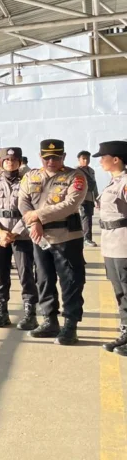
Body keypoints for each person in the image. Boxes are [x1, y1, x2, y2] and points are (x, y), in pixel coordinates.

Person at [17, 139, 88, 346]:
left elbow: (71, 203)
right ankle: (50, 320)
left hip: (67, 237)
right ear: (40, 157)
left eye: (56, 157)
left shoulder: (75, 176)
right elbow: (22, 201)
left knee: (71, 282)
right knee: (43, 280)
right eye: (47, 157)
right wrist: (33, 224)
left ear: (63, 156)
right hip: (40, 238)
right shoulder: (31, 176)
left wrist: (38, 216)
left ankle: (70, 326)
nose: (51, 161)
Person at [0, 147, 38, 329]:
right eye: (7, 160)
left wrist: (14, 232)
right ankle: (2, 312)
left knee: (26, 274)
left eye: (14, 160)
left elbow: (31, 209)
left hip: (21, 235)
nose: (10, 163)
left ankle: (30, 314)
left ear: (19, 162)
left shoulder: (27, 183)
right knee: (0, 275)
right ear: (1, 162)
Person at [96, 140, 127, 355]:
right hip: (111, 244)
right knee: (120, 293)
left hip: (124, 244)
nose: (100, 161)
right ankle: (125, 331)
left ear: (115, 159)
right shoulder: (113, 182)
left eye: (103, 157)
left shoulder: (125, 182)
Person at [77, 150, 99, 247]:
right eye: (84, 159)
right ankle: (86, 239)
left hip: (90, 198)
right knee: (85, 218)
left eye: (88, 159)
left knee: (88, 218)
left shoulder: (91, 171)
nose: (86, 161)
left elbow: (94, 185)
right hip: (81, 199)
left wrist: (97, 198)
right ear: (79, 159)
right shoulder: (76, 171)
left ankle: (85, 238)